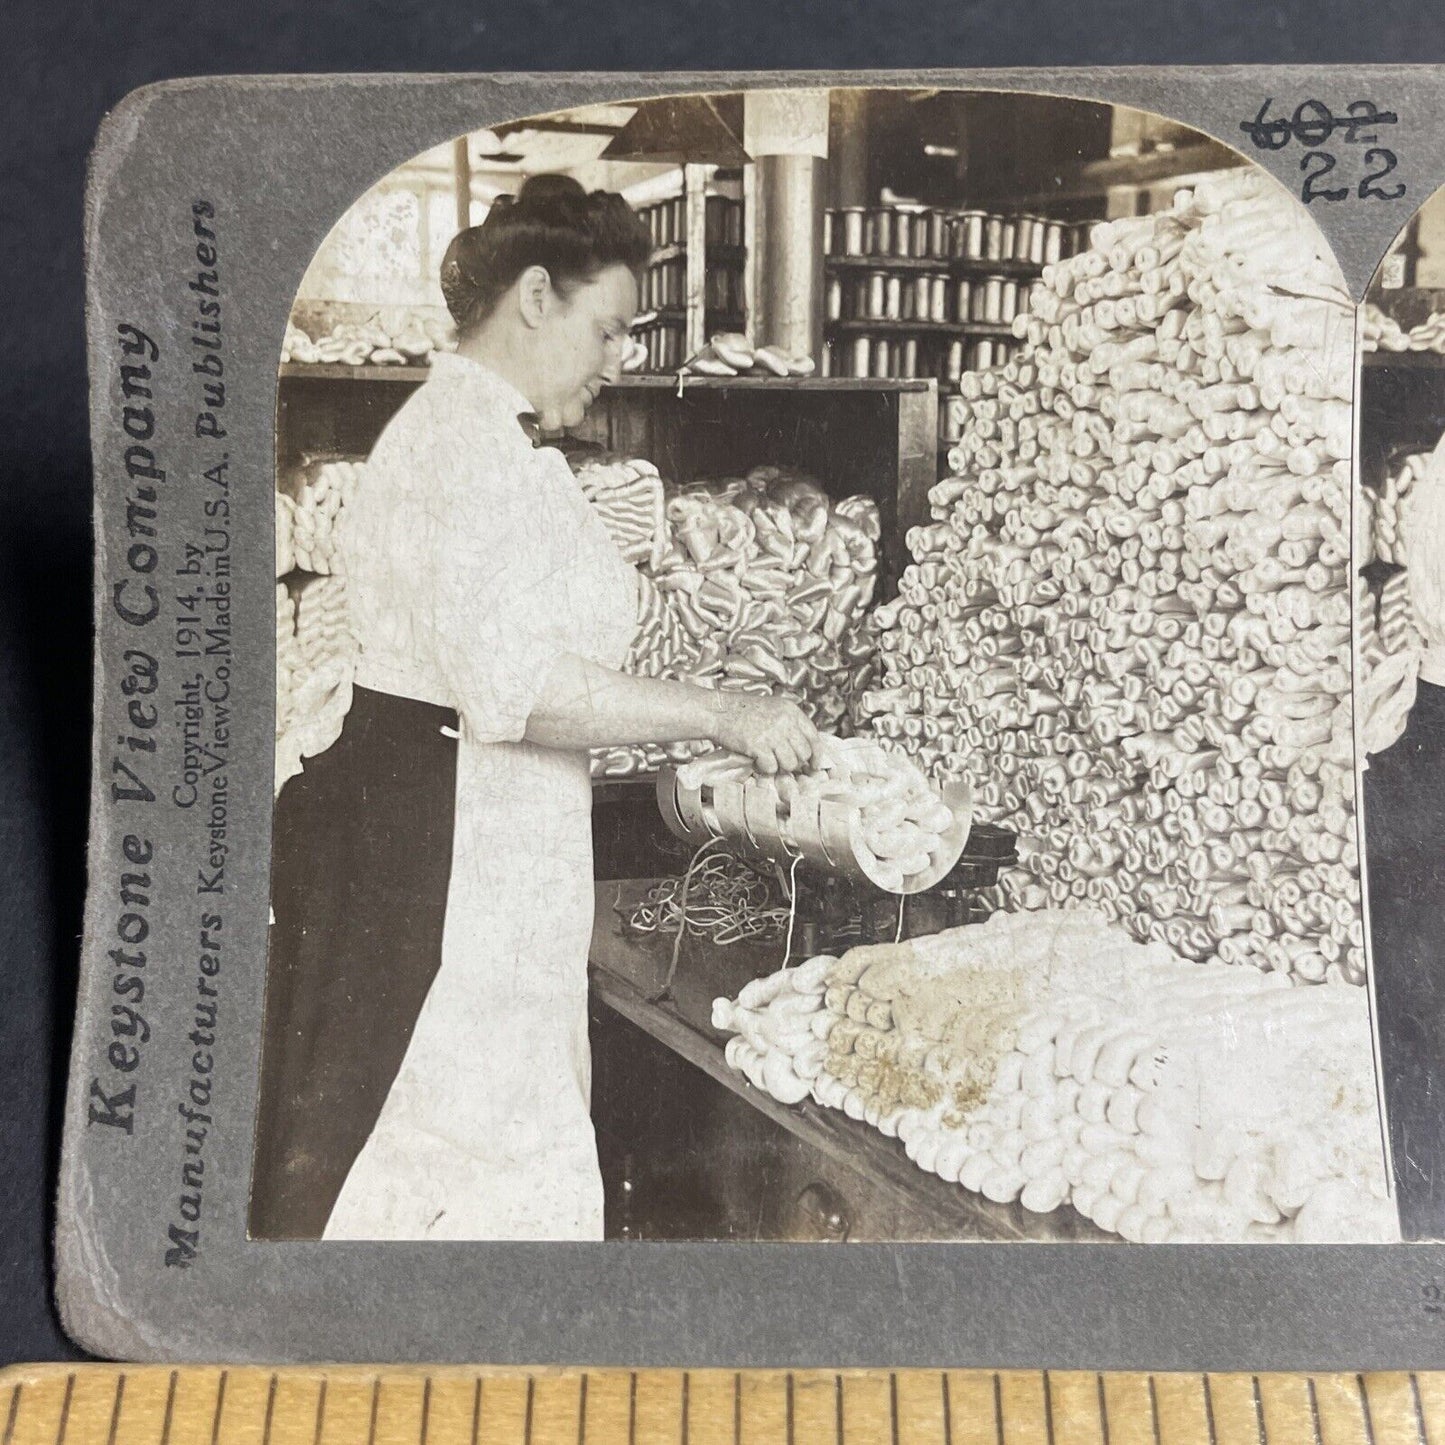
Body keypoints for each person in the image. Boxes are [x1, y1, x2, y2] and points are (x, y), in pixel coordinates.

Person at [250, 175, 819, 1242]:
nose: (615, 358)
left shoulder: (481, 439)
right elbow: (520, 689)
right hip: (447, 851)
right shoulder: (465, 453)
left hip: (466, 827)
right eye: (604, 328)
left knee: (463, 1160)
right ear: (535, 297)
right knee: (453, 1167)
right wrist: (724, 711)